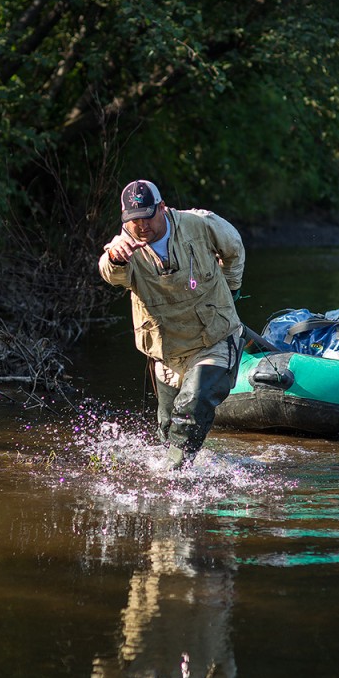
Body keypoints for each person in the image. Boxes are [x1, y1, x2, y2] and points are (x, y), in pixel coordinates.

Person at [98, 179, 245, 467]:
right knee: (167, 429)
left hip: (213, 338)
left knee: (192, 405)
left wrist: (231, 285)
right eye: (133, 220)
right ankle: (181, 468)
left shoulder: (199, 224)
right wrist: (115, 257)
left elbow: (234, 247)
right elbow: (111, 274)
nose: (141, 227)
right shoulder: (124, 246)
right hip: (167, 351)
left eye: (147, 217)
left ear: (162, 208)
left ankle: (172, 477)